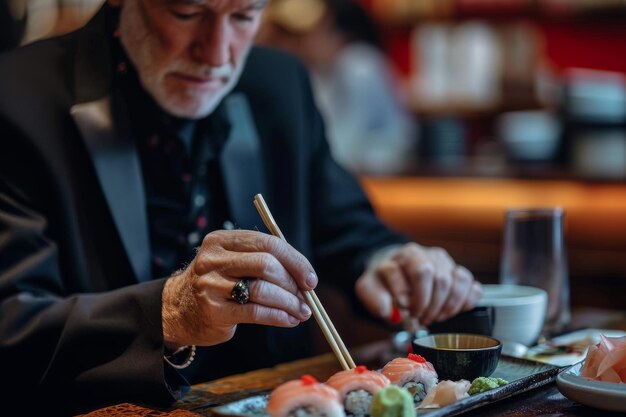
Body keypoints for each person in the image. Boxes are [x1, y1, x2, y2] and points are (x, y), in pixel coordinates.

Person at [0, 0, 482, 414]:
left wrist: (386, 262)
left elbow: (344, 227)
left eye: (246, 14)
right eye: (188, 12)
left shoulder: (279, 83)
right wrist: (169, 314)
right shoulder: (17, 98)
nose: (216, 54)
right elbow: (11, 324)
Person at [256, 0, 417, 175]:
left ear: (335, 32)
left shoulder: (358, 66)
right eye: (286, 36)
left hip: (377, 180)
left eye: (302, 35)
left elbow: (342, 147)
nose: (292, 45)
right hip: (346, 175)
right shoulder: (316, 72)